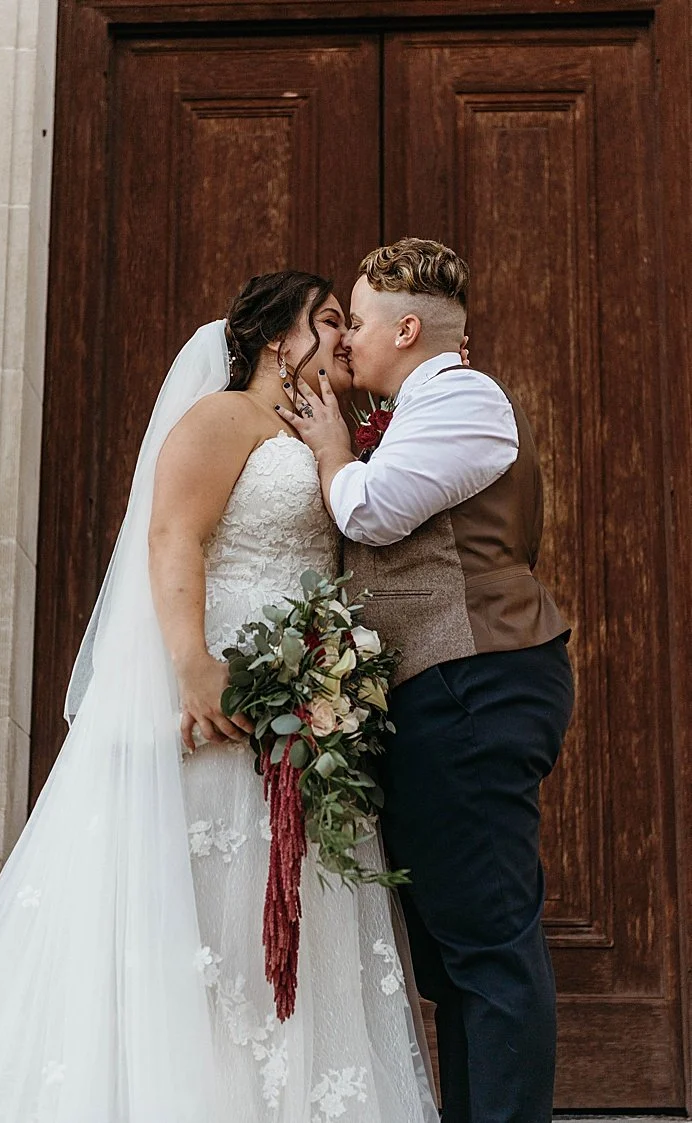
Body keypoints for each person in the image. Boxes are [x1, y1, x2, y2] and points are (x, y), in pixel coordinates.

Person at [0, 272, 438, 1121]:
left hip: (303, 710)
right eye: (328, 320)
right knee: (215, 916)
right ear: (281, 339)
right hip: (224, 695)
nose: (345, 337)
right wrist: (192, 662)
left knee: (287, 912)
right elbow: (174, 531)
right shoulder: (223, 418)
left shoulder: (330, 434)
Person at [280, 238, 573, 1123]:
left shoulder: (463, 394)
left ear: (408, 328)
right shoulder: (417, 408)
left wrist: (333, 450)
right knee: (456, 956)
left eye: (359, 320)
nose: (347, 339)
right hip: (443, 690)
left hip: (476, 682)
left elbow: (369, 507)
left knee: (489, 942)